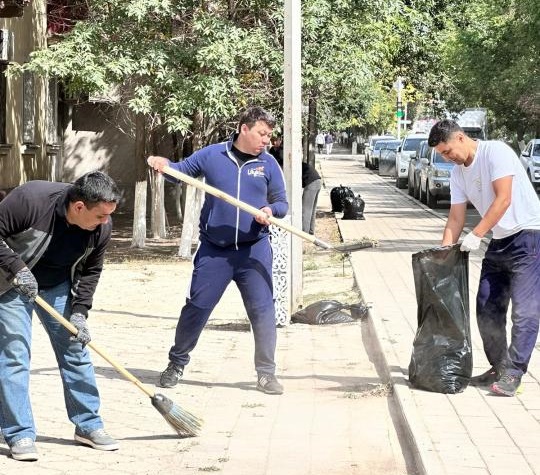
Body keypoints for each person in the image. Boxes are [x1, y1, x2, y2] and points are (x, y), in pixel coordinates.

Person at [147, 106, 288, 395]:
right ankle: (176, 363)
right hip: (215, 251)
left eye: (269, 136)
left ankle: (266, 374)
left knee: (263, 312)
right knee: (197, 307)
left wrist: (270, 210)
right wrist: (163, 164)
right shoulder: (213, 155)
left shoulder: (269, 164)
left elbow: (282, 204)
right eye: (262, 133)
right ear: (244, 128)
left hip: (254, 251)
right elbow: (181, 172)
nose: (266, 140)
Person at [0, 171, 121, 461]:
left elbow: (91, 271)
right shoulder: (30, 200)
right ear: (79, 207)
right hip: (11, 283)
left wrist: (80, 313)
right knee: (15, 354)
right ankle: (19, 433)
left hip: (57, 284)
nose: (106, 222)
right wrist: (17, 269)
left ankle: (88, 425)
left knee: (76, 348)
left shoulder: (100, 228)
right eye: (101, 216)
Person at [428, 119, 540, 397]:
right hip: (499, 240)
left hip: (529, 236)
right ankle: (499, 366)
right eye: (442, 154)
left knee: (525, 311)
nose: (447, 157)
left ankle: (513, 373)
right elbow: (455, 217)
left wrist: (476, 234)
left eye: (448, 151)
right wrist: (445, 251)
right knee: (486, 305)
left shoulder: (496, 152)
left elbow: (503, 199)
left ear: (461, 138)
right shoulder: (457, 173)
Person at [302, 161, 322, 234]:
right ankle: (311, 230)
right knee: (312, 209)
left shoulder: (294, 167)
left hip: (311, 183)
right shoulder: (301, 164)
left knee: (306, 209)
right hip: (318, 181)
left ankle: (304, 232)